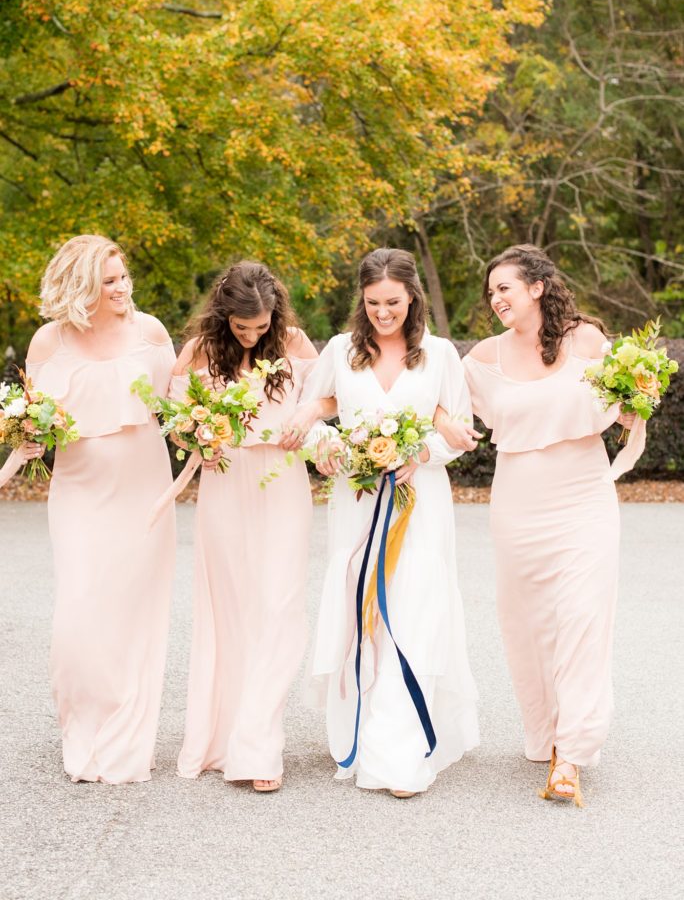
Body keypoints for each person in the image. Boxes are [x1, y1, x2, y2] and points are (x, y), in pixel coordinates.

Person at [437, 243, 631, 806]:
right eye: (491, 290)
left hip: (584, 498)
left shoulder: (588, 341)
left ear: (538, 287)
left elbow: (628, 398)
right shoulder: (480, 361)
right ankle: (545, 734)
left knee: (582, 619)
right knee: (527, 627)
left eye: (505, 287)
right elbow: (438, 405)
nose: (496, 298)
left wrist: (637, 400)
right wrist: (442, 426)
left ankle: (571, 753)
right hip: (518, 504)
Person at [300, 247, 479, 797]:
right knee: (363, 609)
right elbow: (314, 419)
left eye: (394, 302)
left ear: (412, 298)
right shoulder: (338, 351)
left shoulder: (440, 354)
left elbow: (461, 431)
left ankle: (400, 750)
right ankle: (361, 729)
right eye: (373, 302)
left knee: (413, 608)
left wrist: (419, 454)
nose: (383, 312)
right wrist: (325, 449)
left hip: (418, 501)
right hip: (355, 501)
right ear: (361, 299)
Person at [174, 261, 331, 792]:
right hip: (225, 480)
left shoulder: (295, 342)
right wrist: (199, 438)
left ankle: (259, 746)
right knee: (231, 607)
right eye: (242, 327)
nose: (252, 334)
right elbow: (177, 425)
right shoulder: (198, 350)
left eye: (260, 326)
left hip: (282, 482)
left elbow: (322, 408)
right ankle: (224, 737)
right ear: (224, 313)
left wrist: (310, 431)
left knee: (280, 606)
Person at [26, 234, 176, 783]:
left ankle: (128, 729)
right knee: (79, 611)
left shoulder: (151, 332)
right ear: (82, 284)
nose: (122, 287)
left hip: (145, 495)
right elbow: (33, 422)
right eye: (109, 279)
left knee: (134, 614)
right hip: (78, 493)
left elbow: (182, 408)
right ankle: (83, 723)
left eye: (123, 276)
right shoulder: (49, 342)